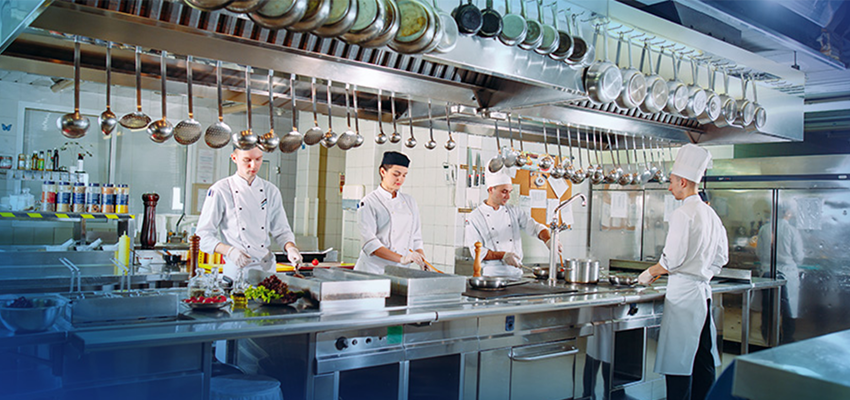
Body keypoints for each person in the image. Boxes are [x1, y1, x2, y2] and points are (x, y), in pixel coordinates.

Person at [638, 144, 729, 400]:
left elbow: (672, 260)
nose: (669, 187)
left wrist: (649, 273)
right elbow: (722, 257)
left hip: (683, 295)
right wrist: (702, 273)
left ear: (683, 182)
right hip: (702, 293)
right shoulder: (711, 215)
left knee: (679, 360)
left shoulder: (683, 214)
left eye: (671, 182)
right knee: (702, 358)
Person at [197, 146, 301, 285]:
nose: (253, 165)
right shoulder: (221, 190)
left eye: (258, 159)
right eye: (247, 160)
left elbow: (281, 230)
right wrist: (230, 251)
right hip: (237, 273)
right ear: (234, 158)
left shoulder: (271, 191)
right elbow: (202, 236)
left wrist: (291, 248)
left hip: (267, 271)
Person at [464, 169, 558, 278]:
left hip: (516, 274)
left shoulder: (514, 211)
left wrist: (548, 240)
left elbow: (535, 227)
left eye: (510, 192)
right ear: (491, 190)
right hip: (492, 277)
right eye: (504, 191)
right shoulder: (475, 217)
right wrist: (503, 255)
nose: (508, 197)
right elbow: (478, 252)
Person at [355, 151, 428, 274]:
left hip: (400, 271)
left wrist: (423, 260)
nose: (400, 179)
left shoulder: (410, 202)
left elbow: (416, 238)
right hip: (373, 271)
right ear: (383, 172)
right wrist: (402, 259)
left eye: (404, 175)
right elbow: (370, 243)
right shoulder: (369, 202)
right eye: (396, 174)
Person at [756, 204, 803, 344]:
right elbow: (799, 256)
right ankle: (787, 339)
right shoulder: (792, 230)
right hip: (787, 274)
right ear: (787, 212)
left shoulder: (764, 229)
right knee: (787, 309)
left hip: (767, 273)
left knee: (768, 308)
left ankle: (768, 337)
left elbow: (758, 253)